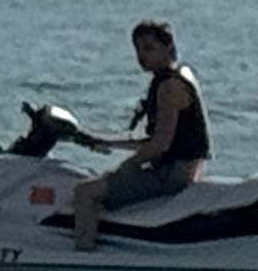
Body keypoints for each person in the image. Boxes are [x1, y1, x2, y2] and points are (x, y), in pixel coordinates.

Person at [64, 19, 210, 250]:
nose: (142, 56)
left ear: (168, 48)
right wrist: (104, 140)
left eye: (149, 48)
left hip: (173, 174)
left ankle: (83, 253)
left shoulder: (169, 87)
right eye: (138, 49)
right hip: (177, 168)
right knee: (102, 184)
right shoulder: (174, 77)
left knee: (85, 193)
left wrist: (125, 167)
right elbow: (155, 140)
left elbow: (161, 144)